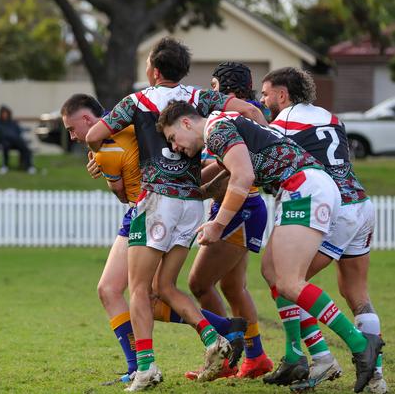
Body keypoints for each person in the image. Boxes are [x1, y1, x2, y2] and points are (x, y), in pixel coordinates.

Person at [156, 100, 384, 394]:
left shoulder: (216, 130)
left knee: (290, 282)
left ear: (186, 123)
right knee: (272, 274)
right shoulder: (222, 126)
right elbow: (232, 171)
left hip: (303, 187)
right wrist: (189, 190)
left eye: (173, 138)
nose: (175, 147)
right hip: (303, 187)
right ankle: (293, 355)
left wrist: (218, 224)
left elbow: (243, 177)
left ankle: (359, 343)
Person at [85, 37, 268, 391]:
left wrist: (105, 159)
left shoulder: (136, 101)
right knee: (165, 286)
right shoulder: (199, 98)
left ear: (153, 70)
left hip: (156, 201)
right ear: (183, 70)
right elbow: (247, 110)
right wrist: (263, 137)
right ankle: (214, 339)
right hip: (191, 204)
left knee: (139, 289)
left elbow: (94, 133)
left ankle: (146, 368)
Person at [61, 93, 248, 387]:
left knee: (115, 290)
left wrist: (105, 167)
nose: (73, 136)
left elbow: (121, 193)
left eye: (72, 129)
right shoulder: (136, 121)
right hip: (181, 204)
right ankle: (224, 328)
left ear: (87, 119)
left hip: (148, 207)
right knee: (156, 289)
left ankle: (141, 366)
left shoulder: (109, 139)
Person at [260, 67, 387, 393]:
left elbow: (261, 163)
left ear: (282, 95)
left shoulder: (283, 121)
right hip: (359, 202)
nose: (263, 100)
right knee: (357, 293)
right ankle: (377, 379)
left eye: (266, 93)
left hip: (329, 207)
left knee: (282, 277)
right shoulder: (332, 118)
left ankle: (321, 355)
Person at [184, 62, 274, 380]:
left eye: (212, 86)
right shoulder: (247, 114)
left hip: (240, 210)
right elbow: (222, 170)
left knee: (198, 283)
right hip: (245, 208)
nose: (209, 93)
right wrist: (193, 184)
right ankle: (256, 357)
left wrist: (190, 186)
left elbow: (234, 176)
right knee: (233, 287)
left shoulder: (230, 117)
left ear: (221, 87)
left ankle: (226, 354)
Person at [0, 105, 35, 175]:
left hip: (16, 141)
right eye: (3, 113)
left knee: (25, 147)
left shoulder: (13, 123)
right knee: (5, 146)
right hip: (5, 141)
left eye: (6, 113)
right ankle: (5, 166)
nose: (5, 115)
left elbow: (19, 132)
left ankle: (29, 166)